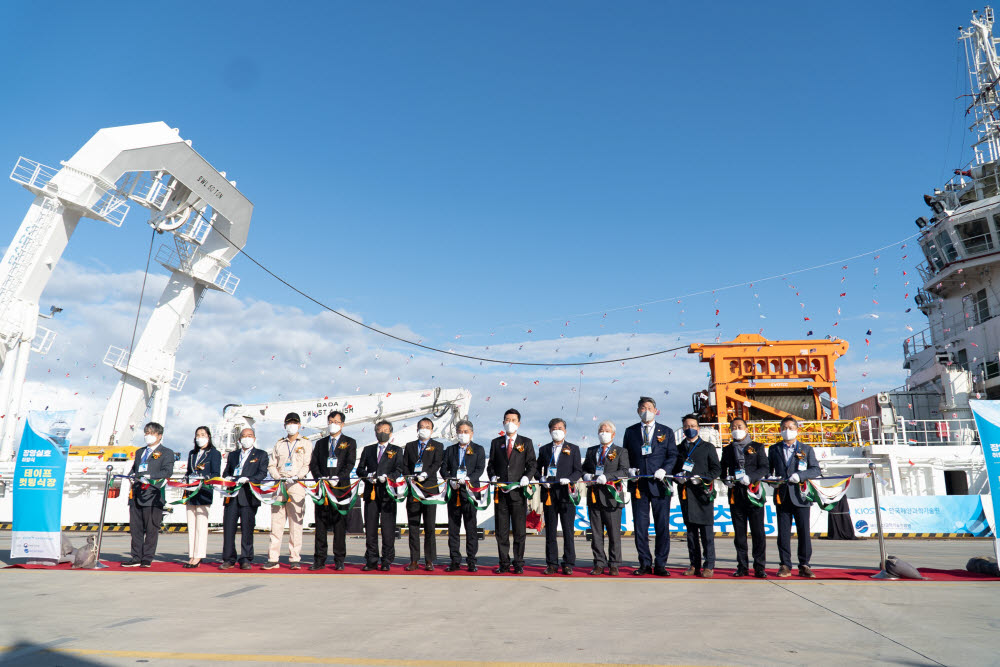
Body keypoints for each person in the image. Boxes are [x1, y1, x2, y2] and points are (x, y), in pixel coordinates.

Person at [622, 396, 678, 576]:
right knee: (640, 527)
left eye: (649, 408)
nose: (646, 411)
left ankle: (661, 563)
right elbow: (626, 455)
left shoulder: (667, 431)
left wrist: (665, 469)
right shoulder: (630, 431)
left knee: (662, 526)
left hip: (660, 484)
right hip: (639, 485)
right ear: (638, 411)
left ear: (656, 411)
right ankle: (644, 563)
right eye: (642, 408)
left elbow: (672, 455)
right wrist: (629, 469)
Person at [768, 416, 822, 578]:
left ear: (797, 430)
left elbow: (816, 470)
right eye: (784, 428)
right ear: (780, 430)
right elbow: (768, 471)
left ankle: (804, 564)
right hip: (782, 496)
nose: (787, 431)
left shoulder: (806, 449)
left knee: (804, 532)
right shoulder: (774, 449)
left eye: (791, 428)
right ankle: (785, 565)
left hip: (801, 496)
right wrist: (772, 482)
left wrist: (801, 475)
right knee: (783, 533)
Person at [487, 408, 537, 574]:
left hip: (518, 493)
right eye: (507, 420)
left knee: (519, 531)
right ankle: (504, 563)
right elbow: (491, 465)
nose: (510, 423)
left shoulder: (526, 442)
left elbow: (532, 464)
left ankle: (518, 563)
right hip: (500, 494)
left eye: (513, 420)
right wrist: (493, 476)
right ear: (503, 423)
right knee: (501, 531)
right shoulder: (496, 442)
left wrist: (526, 477)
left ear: (519, 423)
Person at [720, 417, 769, 578]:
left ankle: (759, 566)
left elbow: (764, 468)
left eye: (739, 426)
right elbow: (722, 470)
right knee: (739, 534)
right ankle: (742, 566)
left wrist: (752, 477)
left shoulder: (757, 447)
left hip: (753, 492)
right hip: (736, 495)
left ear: (746, 429)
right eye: (733, 427)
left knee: (758, 532)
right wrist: (725, 479)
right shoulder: (727, 450)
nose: (736, 429)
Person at [674, 414, 721, 578]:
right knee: (691, 534)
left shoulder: (708, 447)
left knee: (707, 533)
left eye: (693, 425)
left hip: (703, 494)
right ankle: (694, 564)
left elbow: (717, 469)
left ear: (698, 428)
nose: (690, 429)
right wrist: (677, 477)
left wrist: (701, 478)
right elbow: (674, 470)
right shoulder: (679, 448)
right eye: (686, 426)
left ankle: (709, 565)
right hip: (686, 495)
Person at [309, 410, 357, 570]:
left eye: (336, 421)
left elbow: (349, 464)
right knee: (320, 527)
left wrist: (339, 477)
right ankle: (319, 559)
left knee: (339, 526)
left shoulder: (350, 442)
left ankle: (339, 560)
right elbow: (313, 464)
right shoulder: (320, 443)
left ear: (342, 424)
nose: (332, 424)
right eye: (330, 421)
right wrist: (319, 478)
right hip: (323, 490)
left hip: (340, 490)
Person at [263, 412, 312, 570]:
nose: (291, 426)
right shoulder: (279, 444)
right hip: (280, 483)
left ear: (299, 425)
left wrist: (298, 476)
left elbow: (307, 464)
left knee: (295, 524)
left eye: (294, 423)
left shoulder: (305, 443)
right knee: (276, 523)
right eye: (289, 423)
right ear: (285, 425)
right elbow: (272, 464)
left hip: (296, 484)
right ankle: (273, 558)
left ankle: (294, 558)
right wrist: (277, 477)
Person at [122, 422, 175, 567]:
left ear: (159, 436)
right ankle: (136, 557)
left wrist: (150, 476)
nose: (148, 436)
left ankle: (147, 557)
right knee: (135, 528)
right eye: (146, 433)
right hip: (137, 494)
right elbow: (134, 469)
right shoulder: (140, 452)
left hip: (153, 496)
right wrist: (130, 476)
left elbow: (167, 472)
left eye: (151, 433)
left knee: (151, 528)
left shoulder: (167, 452)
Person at [582, 420, 630, 576]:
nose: (603, 433)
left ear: (613, 434)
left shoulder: (621, 451)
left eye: (607, 430)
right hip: (594, 497)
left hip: (612, 497)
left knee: (614, 533)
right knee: (596, 533)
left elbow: (624, 471)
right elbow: (583, 470)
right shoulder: (591, 451)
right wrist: (586, 475)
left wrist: (607, 476)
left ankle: (614, 563)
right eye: (601, 430)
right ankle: (599, 563)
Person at [536, 418, 582, 575]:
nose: (557, 430)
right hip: (549, 493)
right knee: (550, 531)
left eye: (560, 428)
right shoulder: (544, 450)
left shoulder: (574, 449)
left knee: (568, 530)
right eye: (554, 428)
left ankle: (568, 563)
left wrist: (570, 479)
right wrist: (541, 479)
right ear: (549, 431)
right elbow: (536, 469)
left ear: (565, 431)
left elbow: (578, 470)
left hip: (566, 494)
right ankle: (551, 563)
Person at [356, 420, 404, 571]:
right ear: (375, 432)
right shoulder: (368, 450)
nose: (382, 432)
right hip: (371, 492)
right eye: (379, 429)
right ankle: (371, 559)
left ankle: (387, 560)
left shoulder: (396, 450)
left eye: (385, 429)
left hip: (388, 493)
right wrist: (368, 475)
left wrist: (388, 477)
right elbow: (360, 469)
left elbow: (399, 469)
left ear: (390, 432)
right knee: (370, 527)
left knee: (388, 528)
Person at [440, 419, 486, 572]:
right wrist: (449, 479)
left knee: (471, 528)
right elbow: (443, 469)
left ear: (471, 433)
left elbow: (480, 469)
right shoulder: (450, 450)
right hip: (454, 493)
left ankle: (471, 560)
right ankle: (455, 560)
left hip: (470, 493)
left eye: (466, 432)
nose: (463, 434)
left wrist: (469, 479)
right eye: (460, 431)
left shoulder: (478, 449)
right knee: (453, 529)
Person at [220, 428, 269, 570]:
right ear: (239, 439)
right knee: (229, 529)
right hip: (232, 496)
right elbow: (226, 471)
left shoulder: (261, 454)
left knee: (247, 529)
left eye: (249, 436)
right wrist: (228, 477)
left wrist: (249, 479)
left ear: (254, 438)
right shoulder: (233, 455)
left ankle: (246, 558)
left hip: (248, 496)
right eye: (243, 436)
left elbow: (262, 473)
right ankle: (228, 558)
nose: (246, 438)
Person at [403, 417, 444, 571]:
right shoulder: (410, 446)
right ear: (417, 429)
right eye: (421, 426)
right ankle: (414, 560)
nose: (424, 429)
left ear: (432, 430)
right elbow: (404, 464)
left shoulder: (438, 446)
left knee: (429, 527)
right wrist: (410, 476)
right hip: (414, 490)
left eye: (427, 427)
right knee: (413, 526)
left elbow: (437, 463)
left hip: (429, 490)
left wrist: (426, 473)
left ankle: (429, 560)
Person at [184, 426, 221, 568]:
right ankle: (192, 554)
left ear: (209, 437)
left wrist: (204, 477)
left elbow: (215, 473)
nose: (200, 437)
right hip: (191, 491)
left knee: (201, 525)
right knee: (191, 524)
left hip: (204, 491)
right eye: (198, 435)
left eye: (203, 434)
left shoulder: (214, 453)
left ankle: (199, 555)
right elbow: (189, 470)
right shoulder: (192, 454)